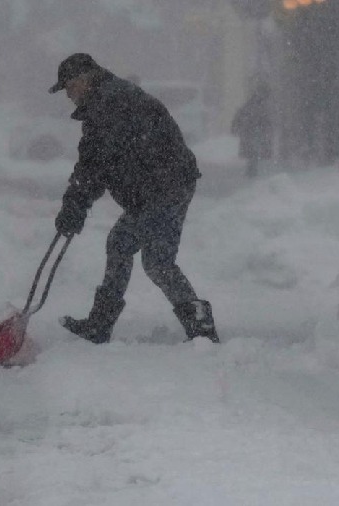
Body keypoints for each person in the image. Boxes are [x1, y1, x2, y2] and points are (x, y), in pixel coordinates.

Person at [48, 53, 218, 344]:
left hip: (164, 187)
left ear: (85, 79)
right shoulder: (106, 98)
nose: (69, 95)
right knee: (138, 251)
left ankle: (195, 326)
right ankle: (104, 324)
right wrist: (76, 203)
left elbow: (93, 164)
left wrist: (75, 204)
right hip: (159, 187)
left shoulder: (109, 104)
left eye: (70, 87)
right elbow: (97, 163)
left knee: (140, 252)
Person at [231, 83, 273, 178]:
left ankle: (252, 171)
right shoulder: (259, 104)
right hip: (254, 131)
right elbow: (262, 118)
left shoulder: (252, 103)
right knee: (254, 152)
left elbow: (242, 115)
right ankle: (252, 171)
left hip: (250, 131)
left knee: (253, 152)